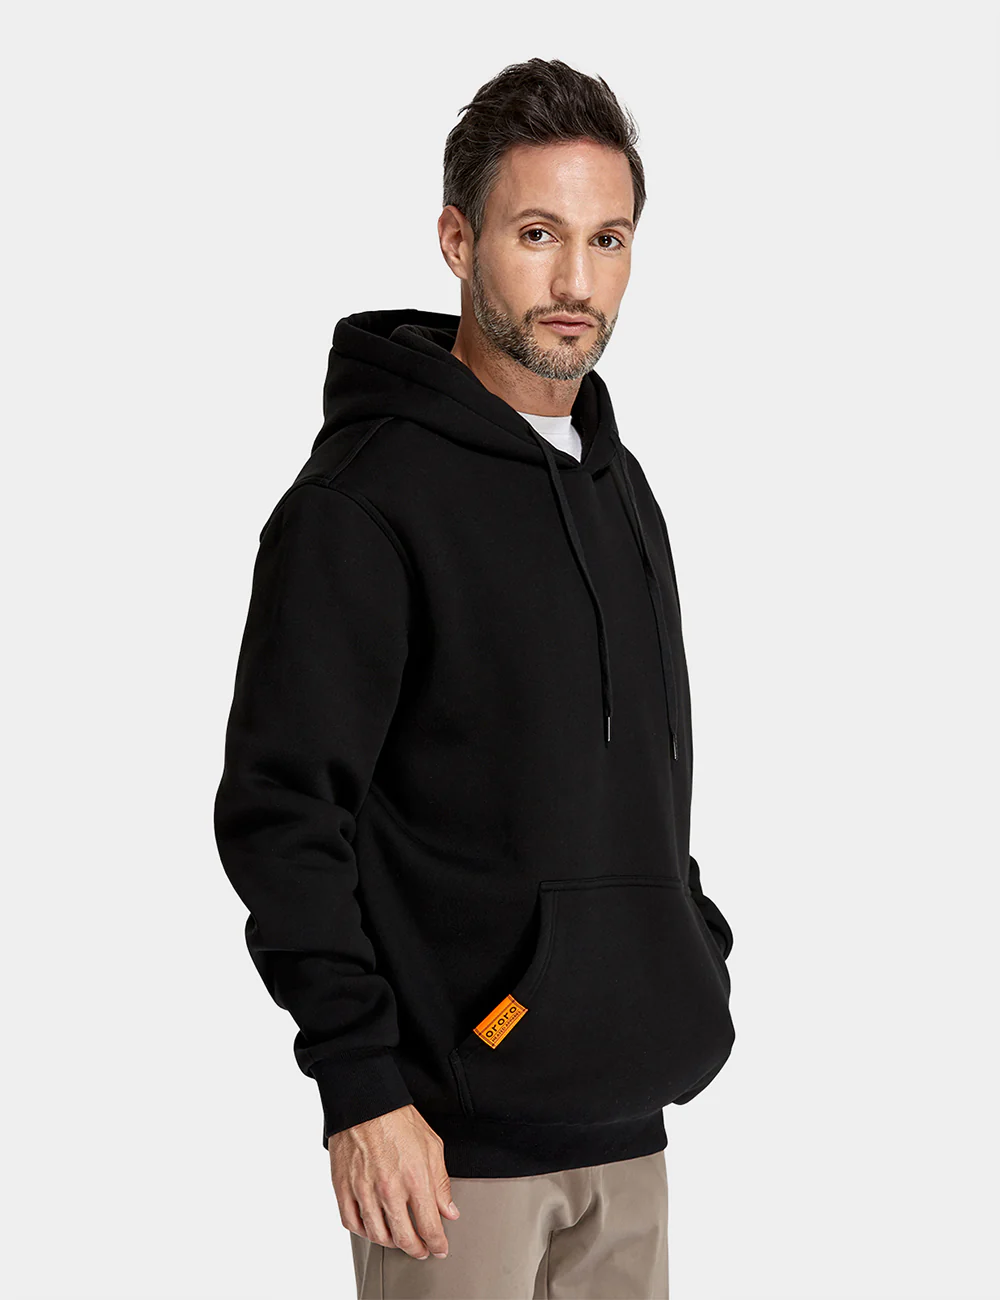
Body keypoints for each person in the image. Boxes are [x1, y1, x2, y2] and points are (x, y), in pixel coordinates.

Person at [214, 56, 736, 1300]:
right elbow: (283, 814)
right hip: (447, 1148)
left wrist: (684, 947)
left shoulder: (618, 483)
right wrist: (361, 1086)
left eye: (607, 239)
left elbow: (641, 772)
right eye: (537, 234)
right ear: (458, 241)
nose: (575, 282)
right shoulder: (362, 503)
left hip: (630, 1123)